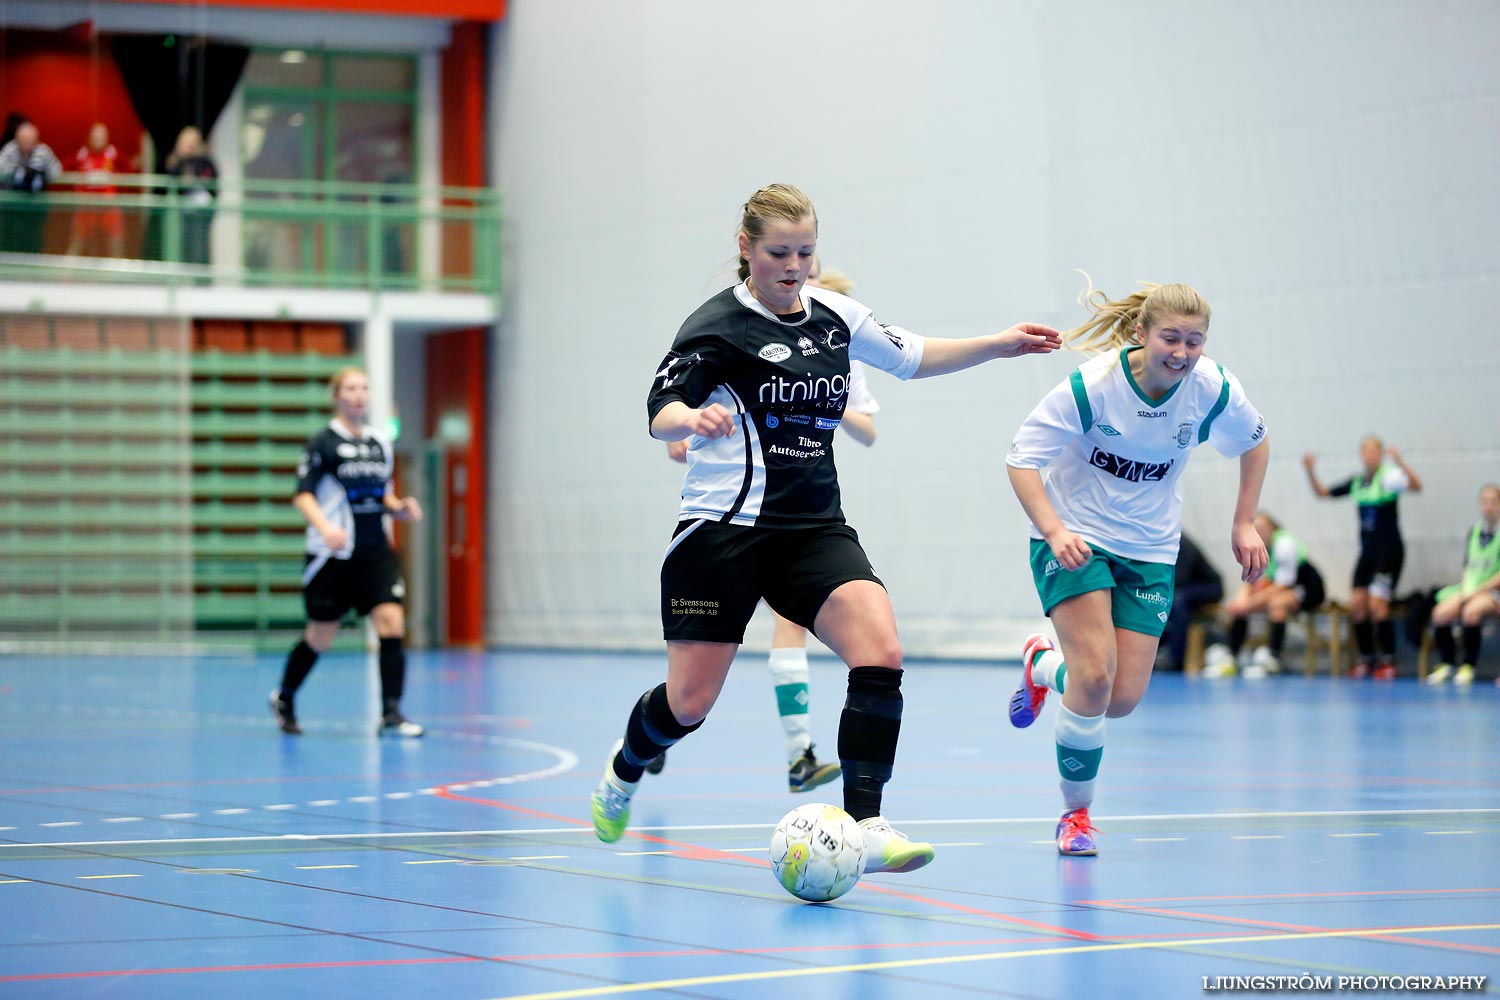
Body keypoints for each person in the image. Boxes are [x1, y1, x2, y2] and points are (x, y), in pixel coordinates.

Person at [590, 182, 1060, 876]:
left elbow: (914, 354)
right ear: (746, 249)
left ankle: (866, 821)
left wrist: (998, 344)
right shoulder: (716, 325)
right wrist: (692, 419)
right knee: (688, 706)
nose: (793, 265)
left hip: (813, 526)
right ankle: (626, 766)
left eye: (805, 252)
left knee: (882, 651)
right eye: (778, 252)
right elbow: (661, 408)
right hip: (724, 530)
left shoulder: (837, 315)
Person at [1005, 278, 1270, 856]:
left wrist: (1243, 521)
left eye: (1194, 341)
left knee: (1119, 699)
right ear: (1139, 335)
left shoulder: (1211, 389)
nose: (1181, 352)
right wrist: (1054, 530)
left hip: (1150, 550)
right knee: (1096, 679)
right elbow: (1021, 460)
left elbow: (1256, 441)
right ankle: (1075, 816)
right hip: (1076, 540)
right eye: (1170, 338)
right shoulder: (1092, 388)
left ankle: (1042, 665)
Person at [652, 258, 873, 794]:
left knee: (813, 631)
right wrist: (688, 423)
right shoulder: (731, 329)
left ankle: (804, 755)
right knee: (691, 699)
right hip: (731, 518)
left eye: (809, 263)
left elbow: (866, 429)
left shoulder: (838, 340)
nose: (798, 276)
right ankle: (649, 739)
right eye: (786, 260)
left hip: (802, 514)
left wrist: (820, 394)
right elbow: (675, 415)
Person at [269, 367, 426, 738]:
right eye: (351, 388)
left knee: (391, 623)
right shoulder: (322, 443)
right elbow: (303, 494)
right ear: (337, 395)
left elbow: (382, 494)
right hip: (333, 554)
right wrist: (325, 527)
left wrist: (399, 507)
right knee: (321, 636)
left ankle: (391, 712)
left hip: (375, 552)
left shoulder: (378, 443)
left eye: (364, 388)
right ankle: (285, 697)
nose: (359, 394)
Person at [1303, 437, 1422, 679]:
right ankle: (1367, 658)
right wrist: (1310, 471)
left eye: (1373, 450)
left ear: (1380, 454)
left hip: (1388, 553)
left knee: (1377, 606)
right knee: (1357, 606)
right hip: (1367, 554)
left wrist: (1400, 462)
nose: (1368, 455)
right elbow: (1324, 493)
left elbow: (1415, 486)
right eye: (1364, 450)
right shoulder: (1358, 482)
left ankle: (1388, 660)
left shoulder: (1389, 478)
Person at [1205, 513, 1326, 679]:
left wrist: (1248, 604)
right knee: (1241, 606)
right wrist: (1240, 601)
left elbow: (1283, 585)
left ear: (1272, 528)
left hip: (1308, 589)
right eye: (1256, 528)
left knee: (1277, 604)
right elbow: (1251, 581)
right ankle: (1231, 657)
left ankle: (1273, 659)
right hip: (1281, 587)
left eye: (1263, 527)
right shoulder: (1256, 546)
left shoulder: (1284, 544)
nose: (1259, 531)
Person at [1426, 483, 1500, 686]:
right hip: (1470, 588)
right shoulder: (1474, 531)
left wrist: (1476, 592)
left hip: (1492, 591)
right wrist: (1467, 590)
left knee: (1470, 612)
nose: (1489, 506)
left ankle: (1468, 665)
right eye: (1485, 501)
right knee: (1440, 613)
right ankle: (1447, 662)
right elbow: (1468, 566)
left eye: (1493, 501)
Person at [1156, 531, 1223, 672]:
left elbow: (1180, 578)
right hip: (1186, 586)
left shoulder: (1180, 542)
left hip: (1209, 586)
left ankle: (1175, 657)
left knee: (1176, 601)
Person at [0, 121, 63, 254]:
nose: (26, 144)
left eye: (29, 141)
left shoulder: (43, 151)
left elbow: (57, 171)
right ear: (17, 140)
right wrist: (20, 172)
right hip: (12, 207)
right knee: (10, 240)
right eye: (23, 141)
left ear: (35, 140)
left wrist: (41, 174)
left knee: (34, 240)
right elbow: (1, 168)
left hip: (36, 207)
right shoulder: (10, 149)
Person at [66, 123, 126, 259]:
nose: (98, 140)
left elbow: (128, 170)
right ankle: (67, 274)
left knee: (115, 242)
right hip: (86, 206)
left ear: (107, 138)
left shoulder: (114, 153)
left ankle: (117, 273)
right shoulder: (81, 154)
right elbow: (63, 170)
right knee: (77, 241)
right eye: (95, 137)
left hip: (109, 206)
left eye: (101, 137)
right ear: (90, 138)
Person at [163, 126, 217, 271]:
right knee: (182, 243)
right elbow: (170, 181)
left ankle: (202, 277)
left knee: (200, 244)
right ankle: (182, 276)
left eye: (193, 142)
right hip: (181, 212)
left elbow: (214, 182)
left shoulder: (204, 161)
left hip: (202, 212)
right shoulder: (175, 161)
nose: (190, 146)